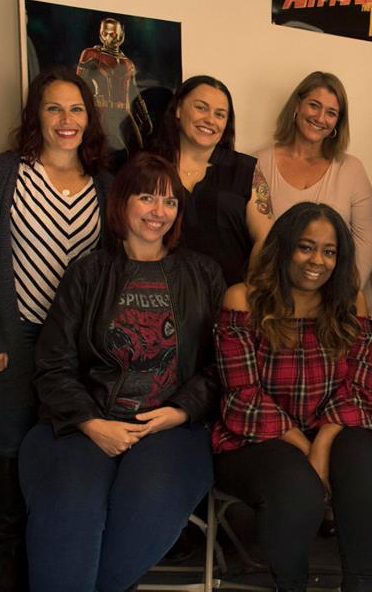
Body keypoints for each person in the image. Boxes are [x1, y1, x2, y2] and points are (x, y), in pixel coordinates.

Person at [18, 153, 225, 592]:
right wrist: (92, 423)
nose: (158, 211)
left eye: (170, 202)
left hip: (171, 430)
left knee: (145, 504)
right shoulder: (88, 273)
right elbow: (53, 365)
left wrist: (180, 411)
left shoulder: (203, 273)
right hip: (85, 423)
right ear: (122, 202)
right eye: (147, 197)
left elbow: (220, 364)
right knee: (69, 506)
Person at [0, 67, 110, 592]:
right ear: (35, 116)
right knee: (10, 447)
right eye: (54, 108)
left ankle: (58, 561)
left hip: (77, 349)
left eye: (76, 109)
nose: (66, 120)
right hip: (14, 339)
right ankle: (14, 568)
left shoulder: (104, 184)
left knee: (66, 451)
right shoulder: (3, 174)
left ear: (89, 118)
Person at [213, 203, 372, 592]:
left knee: (367, 474)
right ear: (284, 246)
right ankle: (291, 585)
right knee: (298, 490)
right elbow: (243, 394)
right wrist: (304, 448)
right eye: (306, 247)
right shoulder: (243, 300)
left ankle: (362, 586)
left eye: (329, 251)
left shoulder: (350, 302)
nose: (317, 261)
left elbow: (358, 386)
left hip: (332, 425)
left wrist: (321, 445)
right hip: (256, 435)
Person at [255, 71, 372, 299]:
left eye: (331, 112)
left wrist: (340, 299)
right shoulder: (259, 164)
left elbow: (366, 244)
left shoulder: (351, 169)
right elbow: (258, 242)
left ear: (337, 122)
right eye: (314, 105)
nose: (320, 118)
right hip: (274, 301)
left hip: (339, 303)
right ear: (297, 105)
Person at [151, 74, 273, 285]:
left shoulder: (246, 169)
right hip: (162, 294)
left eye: (220, 114)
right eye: (201, 108)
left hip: (230, 296)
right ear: (178, 109)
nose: (210, 120)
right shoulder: (149, 168)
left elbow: (265, 239)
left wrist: (248, 293)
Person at [76, 17, 153, 154]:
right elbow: (77, 86)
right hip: (102, 112)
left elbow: (135, 92)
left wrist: (145, 117)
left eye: (112, 34)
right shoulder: (92, 55)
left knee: (138, 152)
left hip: (124, 113)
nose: (108, 38)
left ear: (120, 35)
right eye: (105, 33)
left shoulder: (128, 63)